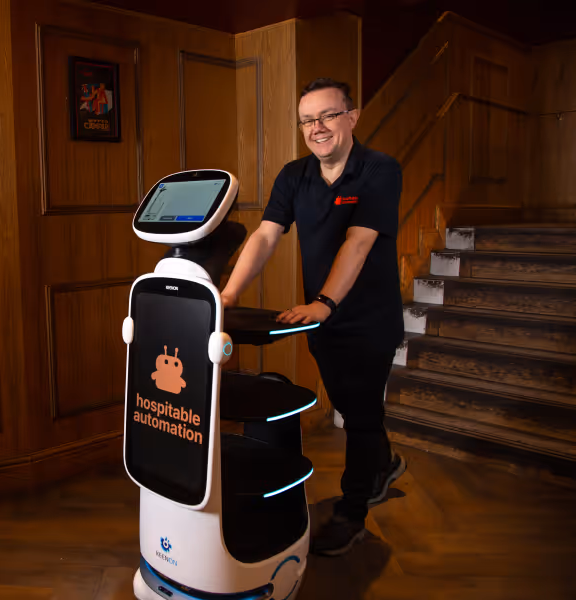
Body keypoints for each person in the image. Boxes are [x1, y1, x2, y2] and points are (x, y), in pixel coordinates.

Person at [221, 77, 407, 557]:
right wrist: (230, 292)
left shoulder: (379, 169)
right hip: (320, 320)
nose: (317, 127)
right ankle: (383, 465)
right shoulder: (295, 174)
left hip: (368, 318)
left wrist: (324, 302)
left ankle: (352, 512)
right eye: (307, 119)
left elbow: (359, 240)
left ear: (352, 116)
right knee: (351, 402)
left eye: (327, 115)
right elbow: (265, 236)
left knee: (360, 414)